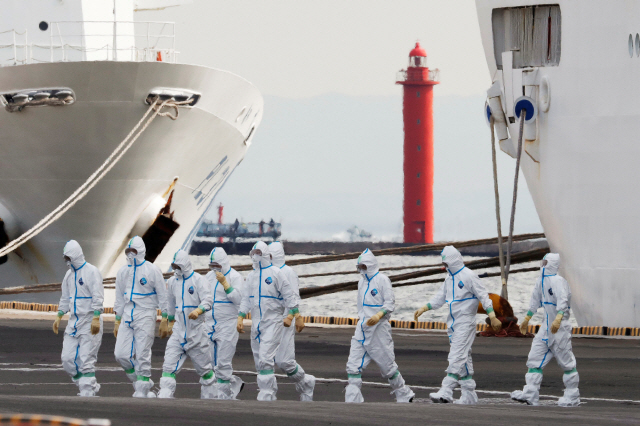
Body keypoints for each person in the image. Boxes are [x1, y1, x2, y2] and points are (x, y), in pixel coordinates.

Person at [414, 245, 502, 405]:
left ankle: (446, 390)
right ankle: (469, 395)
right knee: (464, 356)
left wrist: (492, 316)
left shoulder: (469, 276)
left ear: (453, 261)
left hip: (466, 323)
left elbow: (483, 295)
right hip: (452, 323)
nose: (444, 267)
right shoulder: (449, 279)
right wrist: (424, 307)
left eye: (446, 263)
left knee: (456, 355)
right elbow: (440, 297)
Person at [345, 249, 414, 403]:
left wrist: (378, 315)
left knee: (387, 366)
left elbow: (389, 303)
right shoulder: (361, 282)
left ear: (370, 265)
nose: (361, 270)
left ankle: (403, 392)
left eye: (364, 266)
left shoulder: (382, 280)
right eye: (359, 266)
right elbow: (360, 306)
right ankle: (352, 400)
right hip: (362, 329)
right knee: (353, 365)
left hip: (378, 330)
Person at [511, 253, 580, 407]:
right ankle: (530, 394)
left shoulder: (559, 282)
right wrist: (527, 318)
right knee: (534, 359)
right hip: (545, 329)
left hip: (559, 329)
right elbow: (535, 300)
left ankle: (572, 395)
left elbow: (563, 300)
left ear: (552, 263)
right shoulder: (540, 281)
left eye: (545, 262)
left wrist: (559, 317)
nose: (542, 264)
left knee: (567, 363)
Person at [237, 241, 301, 401]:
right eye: (254, 252)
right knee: (259, 360)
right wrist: (241, 316)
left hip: (273, 322)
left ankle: (266, 393)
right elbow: (246, 298)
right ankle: (269, 391)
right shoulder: (251, 276)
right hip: (257, 324)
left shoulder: (276, 273)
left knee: (266, 358)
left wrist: (295, 315)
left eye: (259, 252)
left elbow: (289, 294)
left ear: (265, 254)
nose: (255, 256)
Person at [113, 236, 169, 398]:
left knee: (142, 352)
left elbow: (162, 295)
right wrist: (118, 319)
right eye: (128, 251)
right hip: (128, 314)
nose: (131, 254)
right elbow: (119, 297)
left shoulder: (152, 270)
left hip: (146, 314)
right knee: (120, 354)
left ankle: (143, 387)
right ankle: (140, 380)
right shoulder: (123, 272)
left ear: (141, 251)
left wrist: (165, 317)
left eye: (134, 251)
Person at [158, 249, 215, 399]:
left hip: (196, 332)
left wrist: (199, 310)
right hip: (178, 331)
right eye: (174, 266)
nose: (175, 269)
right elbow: (170, 303)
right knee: (168, 365)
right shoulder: (172, 282)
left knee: (205, 370)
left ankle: (211, 396)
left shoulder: (198, 280)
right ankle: (165, 394)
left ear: (185, 265)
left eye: (178, 266)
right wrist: (168, 321)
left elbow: (208, 300)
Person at [52, 240, 104, 397]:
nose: (67, 262)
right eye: (65, 258)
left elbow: (98, 294)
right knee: (67, 359)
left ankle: (87, 391)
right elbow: (65, 297)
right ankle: (87, 385)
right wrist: (59, 315)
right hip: (73, 322)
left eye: (69, 258)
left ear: (75, 256)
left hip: (89, 320)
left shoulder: (92, 272)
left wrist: (96, 315)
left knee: (86, 359)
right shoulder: (69, 275)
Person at [268, 241, 316, 401]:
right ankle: (268, 393)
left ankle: (305, 382)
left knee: (284, 361)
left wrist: (291, 316)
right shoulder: (268, 272)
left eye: (269, 255)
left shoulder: (288, 272)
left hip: (285, 321)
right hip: (269, 321)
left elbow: (294, 296)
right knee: (265, 359)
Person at [205, 247, 245, 399]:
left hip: (228, 324)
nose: (215, 269)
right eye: (212, 265)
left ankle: (222, 396)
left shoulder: (235, 277)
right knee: (208, 361)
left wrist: (226, 285)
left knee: (223, 362)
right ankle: (232, 383)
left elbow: (239, 299)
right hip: (209, 323)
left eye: (217, 265)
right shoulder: (208, 277)